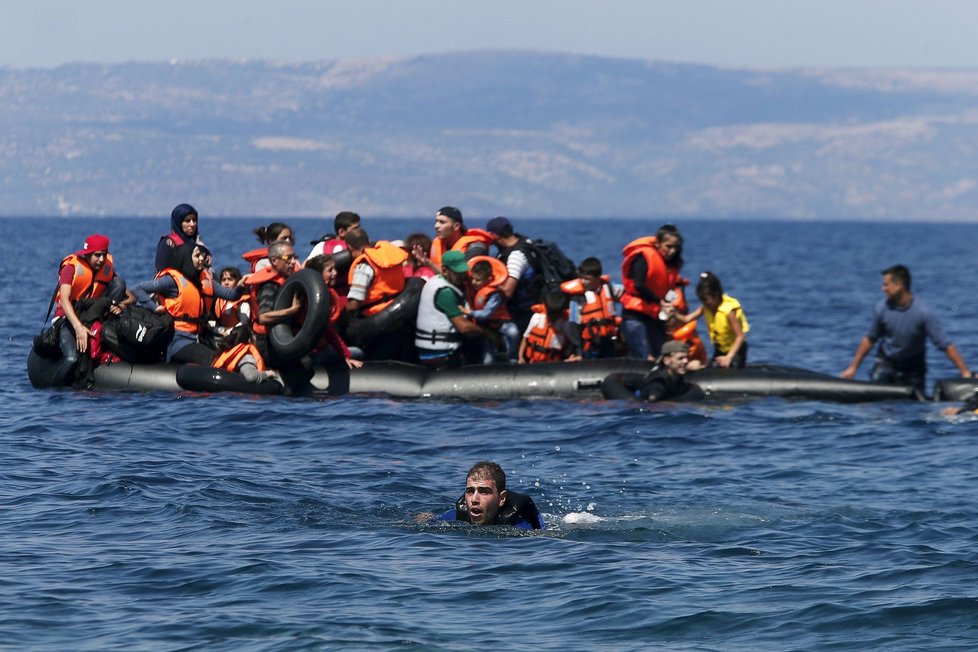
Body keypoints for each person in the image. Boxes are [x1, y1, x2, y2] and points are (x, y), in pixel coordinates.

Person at [841, 264, 971, 392]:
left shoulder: (923, 313)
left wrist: (964, 372)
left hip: (913, 368)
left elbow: (945, 345)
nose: (883, 289)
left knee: (913, 403)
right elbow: (870, 339)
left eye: (886, 285)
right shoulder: (881, 309)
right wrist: (853, 367)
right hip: (886, 363)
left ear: (899, 286)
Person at [133, 244, 243, 365]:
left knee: (229, 354)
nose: (201, 258)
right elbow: (138, 289)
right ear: (186, 258)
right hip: (178, 340)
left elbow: (232, 296)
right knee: (214, 360)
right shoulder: (172, 280)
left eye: (201, 255)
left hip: (199, 336)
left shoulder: (205, 279)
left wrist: (241, 287)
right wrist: (155, 308)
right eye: (197, 256)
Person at [49, 234, 133, 386]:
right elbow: (64, 300)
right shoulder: (70, 268)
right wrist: (78, 327)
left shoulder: (105, 270)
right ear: (87, 254)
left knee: (119, 283)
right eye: (97, 255)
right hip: (68, 319)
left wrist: (119, 306)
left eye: (104, 255)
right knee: (71, 359)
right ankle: (54, 391)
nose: (101, 260)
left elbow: (131, 297)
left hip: (90, 317)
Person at [414, 251, 498, 368]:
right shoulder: (445, 293)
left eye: (463, 272)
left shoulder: (437, 280)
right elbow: (464, 327)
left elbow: (448, 277)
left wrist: (429, 263)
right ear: (445, 271)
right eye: (458, 273)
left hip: (432, 350)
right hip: (441, 354)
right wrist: (488, 334)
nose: (462, 276)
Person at [620, 224, 686, 360]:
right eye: (668, 247)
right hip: (635, 317)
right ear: (658, 243)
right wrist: (658, 300)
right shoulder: (644, 257)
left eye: (675, 248)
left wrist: (669, 306)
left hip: (655, 317)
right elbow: (638, 284)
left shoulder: (670, 265)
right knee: (644, 357)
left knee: (662, 356)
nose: (672, 251)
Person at [415, 461, 545, 529]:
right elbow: (432, 522)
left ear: (501, 498)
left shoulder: (521, 525)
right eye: (470, 491)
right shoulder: (456, 516)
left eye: (484, 491)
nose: (474, 500)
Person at [678, 271, 750, 368]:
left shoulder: (728, 312)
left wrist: (729, 357)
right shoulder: (705, 307)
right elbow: (687, 319)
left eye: (706, 299)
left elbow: (740, 337)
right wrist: (673, 313)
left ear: (716, 295)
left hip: (735, 351)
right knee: (711, 369)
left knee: (729, 371)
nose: (704, 303)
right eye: (701, 300)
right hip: (720, 349)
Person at [485, 216, 543, 334]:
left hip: (523, 314)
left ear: (493, 235)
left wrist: (486, 284)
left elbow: (508, 291)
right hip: (532, 308)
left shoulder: (515, 256)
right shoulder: (526, 243)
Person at [304, 254, 363, 369]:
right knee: (358, 352)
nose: (335, 273)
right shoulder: (320, 299)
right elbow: (327, 330)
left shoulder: (321, 294)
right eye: (330, 270)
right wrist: (345, 355)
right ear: (319, 275)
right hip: (315, 353)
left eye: (335, 269)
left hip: (318, 349)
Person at [560, 257, 624, 359]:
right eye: (582, 278)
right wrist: (578, 351)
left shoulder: (610, 288)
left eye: (587, 279)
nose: (583, 281)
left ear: (598, 278)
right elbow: (573, 324)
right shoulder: (578, 298)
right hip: (590, 346)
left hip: (609, 342)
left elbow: (627, 295)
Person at [601, 340, 705, 402]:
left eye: (686, 358)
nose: (686, 361)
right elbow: (651, 407)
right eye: (680, 358)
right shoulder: (658, 387)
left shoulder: (676, 378)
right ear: (667, 360)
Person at [461, 257, 520, 362]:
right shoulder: (473, 289)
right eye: (472, 279)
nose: (474, 282)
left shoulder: (494, 294)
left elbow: (486, 314)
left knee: (513, 332)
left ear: (488, 280)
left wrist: (469, 312)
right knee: (488, 359)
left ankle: (513, 359)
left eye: (478, 280)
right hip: (487, 327)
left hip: (500, 323)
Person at [518, 290, 583, 364]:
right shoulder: (537, 318)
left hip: (556, 364)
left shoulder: (566, 323)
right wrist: (521, 357)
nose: (553, 316)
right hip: (534, 362)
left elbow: (574, 343)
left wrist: (574, 355)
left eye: (556, 314)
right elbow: (525, 338)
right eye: (551, 313)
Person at [426, 206, 494, 269]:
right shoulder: (439, 244)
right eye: (436, 221)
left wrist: (430, 264)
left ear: (456, 226)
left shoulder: (475, 248)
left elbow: (460, 277)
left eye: (442, 222)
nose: (436, 226)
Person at [155, 203, 204, 273]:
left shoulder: (197, 244)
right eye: (187, 220)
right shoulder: (167, 244)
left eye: (194, 220)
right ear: (179, 222)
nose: (192, 224)